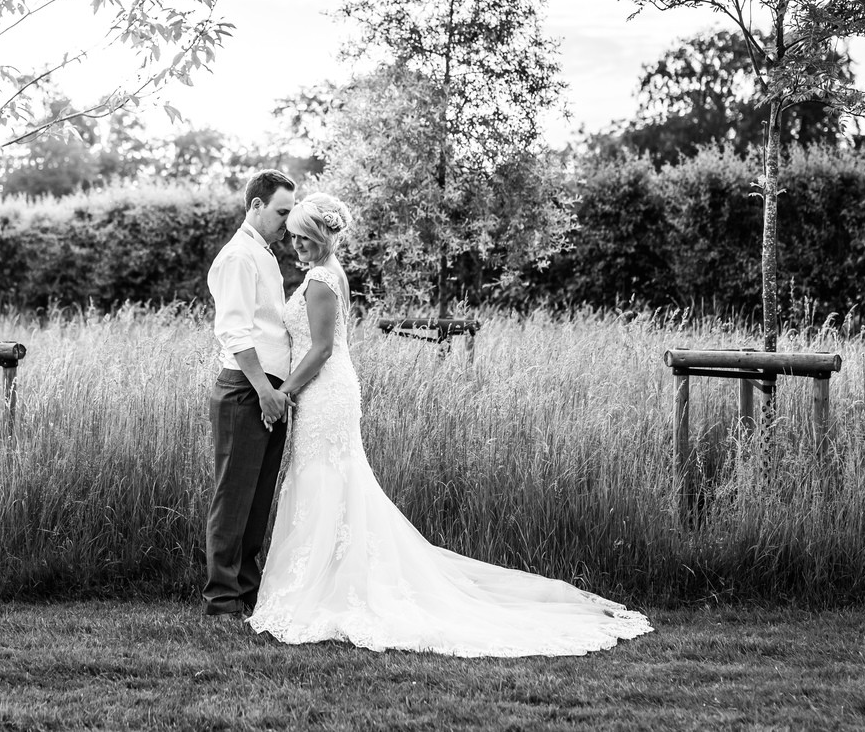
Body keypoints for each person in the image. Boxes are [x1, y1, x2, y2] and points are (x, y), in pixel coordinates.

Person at [248, 192, 654, 656]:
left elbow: (320, 350)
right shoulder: (329, 272)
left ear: (323, 235)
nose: (296, 244)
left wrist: (283, 392)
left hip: (323, 391)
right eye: (294, 237)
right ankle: (329, 581)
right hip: (328, 390)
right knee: (331, 484)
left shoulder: (321, 279)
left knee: (324, 480)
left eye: (304, 237)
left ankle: (321, 589)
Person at [202, 169, 297, 617]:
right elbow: (234, 332)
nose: (288, 222)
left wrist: (276, 390)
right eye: (281, 212)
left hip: (269, 391)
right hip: (247, 390)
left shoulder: (262, 253)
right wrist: (263, 390)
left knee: (258, 500)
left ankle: (246, 591)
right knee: (234, 496)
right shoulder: (239, 257)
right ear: (256, 206)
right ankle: (221, 599)